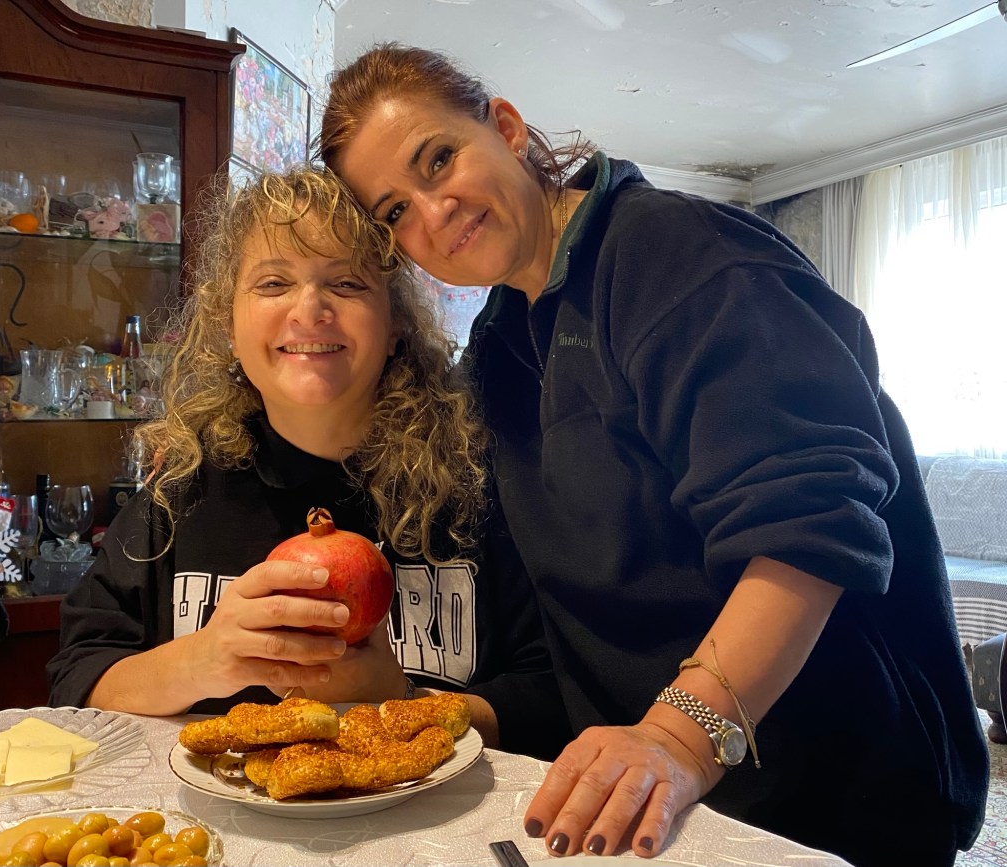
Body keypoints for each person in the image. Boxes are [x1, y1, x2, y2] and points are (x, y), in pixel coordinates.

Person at [316, 43, 990, 867]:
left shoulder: (680, 256)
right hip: (657, 810)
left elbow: (810, 527)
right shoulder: (499, 344)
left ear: (507, 127)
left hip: (833, 798)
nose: (433, 210)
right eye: (394, 210)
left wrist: (678, 737)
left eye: (439, 158)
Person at [47, 165, 570, 761]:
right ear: (228, 324)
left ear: (396, 322)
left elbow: (553, 703)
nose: (310, 309)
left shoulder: (479, 487)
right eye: (273, 283)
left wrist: (401, 702)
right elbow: (77, 679)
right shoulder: (180, 491)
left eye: (346, 283)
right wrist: (199, 661)